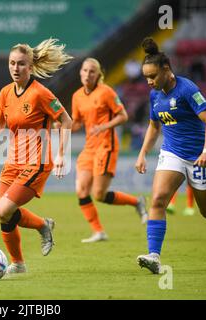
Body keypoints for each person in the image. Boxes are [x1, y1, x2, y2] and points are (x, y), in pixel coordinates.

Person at [135, 38, 206, 274]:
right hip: (172, 153)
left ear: (166, 70)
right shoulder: (155, 95)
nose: (149, 82)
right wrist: (142, 153)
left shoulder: (186, 89)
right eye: (146, 77)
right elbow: (154, 126)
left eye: (153, 76)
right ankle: (154, 256)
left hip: (200, 156)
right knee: (159, 199)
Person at [0, 38, 73, 274]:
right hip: (13, 161)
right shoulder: (5, 93)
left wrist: (61, 154)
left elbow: (66, 120)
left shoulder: (40, 93)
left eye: (21, 64)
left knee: (3, 209)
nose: (15, 68)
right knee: (4, 215)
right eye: (12, 63)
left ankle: (42, 226)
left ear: (30, 67)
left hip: (37, 162)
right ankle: (18, 264)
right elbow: (0, 122)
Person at [71, 58, 148, 243]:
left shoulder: (106, 92)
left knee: (99, 194)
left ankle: (137, 202)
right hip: (89, 147)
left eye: (92, 71)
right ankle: (98, 231)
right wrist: (61, 125)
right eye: (85, 70)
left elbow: (123, 116)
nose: (88, 74)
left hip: (106, 145)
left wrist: (105, 126)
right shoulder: (77, 96)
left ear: (98, 75)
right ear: (80, 72)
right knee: (81, 190)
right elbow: (77, 123)